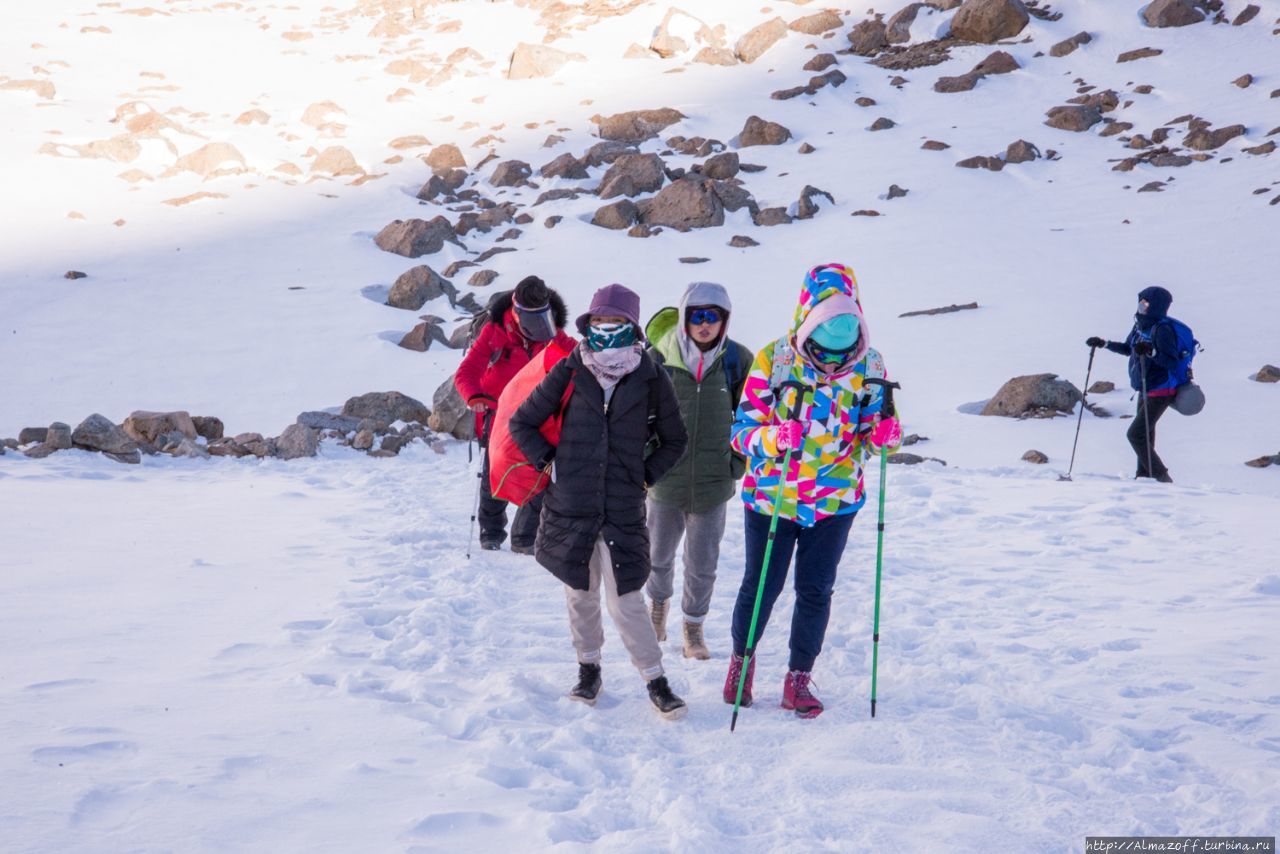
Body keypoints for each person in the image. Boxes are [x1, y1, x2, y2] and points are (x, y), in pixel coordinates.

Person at [723, 263, 902, 719]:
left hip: (835, 500)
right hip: (773, 495)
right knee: (762, 586)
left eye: (841, 352)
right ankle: (741, 665)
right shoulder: (775, 360)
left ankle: (798, 679)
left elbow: (875, 429)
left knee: (816, 589)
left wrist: (884, 437)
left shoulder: (872, 366)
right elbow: (741, 431)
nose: (832, 363)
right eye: (823, 350)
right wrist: (772, 438)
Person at [509, 284, 691, 719]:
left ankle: (656, 679)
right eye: (599, 323)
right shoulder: (571, 369)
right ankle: (588, 670)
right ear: (589, 324)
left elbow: (675, 439)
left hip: (623, 506)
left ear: (632, 327)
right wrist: (549, 462)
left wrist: (644, 475)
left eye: (616, 324)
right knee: (580, 594)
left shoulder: (650, 376)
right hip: (569, 503)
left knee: (626, 599)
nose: (606, 331)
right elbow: (523, 422)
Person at [643, 282, 753, 660]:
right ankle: (657, 607)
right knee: (657, 555)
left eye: (714, 317)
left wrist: (735, 463)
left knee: (703, 561)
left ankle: (693, 625)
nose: (705, 325)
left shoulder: (738, 360)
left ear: (725, 321)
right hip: (665, 480)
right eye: (698, 316)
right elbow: (639, 416)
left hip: (713, 483)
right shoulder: (659, 358)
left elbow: (752, 417)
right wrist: (648, 460)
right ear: (685, 316)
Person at [454, 276, 573, 552]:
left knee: (540, 473)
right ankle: (491, 533)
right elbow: (467, 372)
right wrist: (475, 397)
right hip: (497, 417)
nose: (537, 324)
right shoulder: (494, 332)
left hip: (536, 418)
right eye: (530, 317)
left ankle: (524, 538)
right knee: (493, 476)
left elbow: (576, 354)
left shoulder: (550, 329)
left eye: (541, 316)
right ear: (516, 310)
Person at [1086, 285, 1181, 483]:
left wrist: (1150, 352)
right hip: (1144, 388)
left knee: (1135, 435)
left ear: (1155, 305)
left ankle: (1162, 477)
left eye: (1145, 302)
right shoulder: (1140, 326)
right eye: (1141, 301)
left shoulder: (1162, 330)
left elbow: (1171, 361)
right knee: (1145, 434)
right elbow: (1129, 349)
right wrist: (1104, 344)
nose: (1141, 305)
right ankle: (1144, 476)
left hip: (1161, 391)